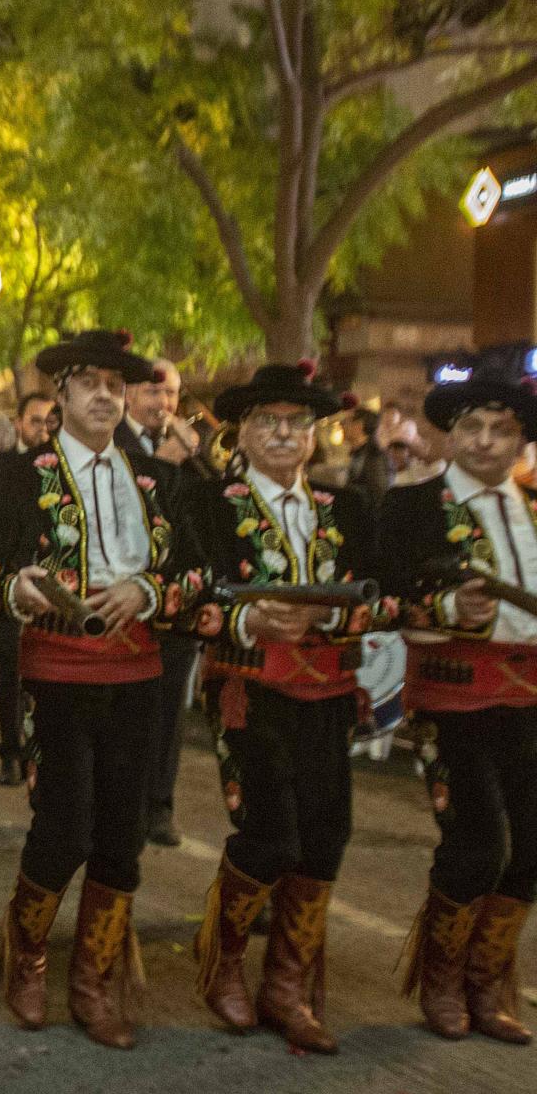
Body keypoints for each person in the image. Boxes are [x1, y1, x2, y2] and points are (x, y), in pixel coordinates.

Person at [0, 330, 205, 1050]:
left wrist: (146, 589)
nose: (106, 396)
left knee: (122, 832)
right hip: (54, 672)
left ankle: (94, 979)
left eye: (118, 385)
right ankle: (27, 959)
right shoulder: (21, 475)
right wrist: (18, 587)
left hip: (139, 672)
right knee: (63, 825)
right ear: (62, 394)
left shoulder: (161, 480)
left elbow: (199, 571)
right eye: (91, 384)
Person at [182, 362, 388, 1053]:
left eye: (296, 422)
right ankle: (225, 966)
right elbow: (190, 596)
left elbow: (382, 597)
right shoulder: (209, 505)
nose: (282, 433)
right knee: (269, 831)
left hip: (329, 690)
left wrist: (331, 621)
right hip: (249, 686)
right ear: (240, 432)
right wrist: (249, 620)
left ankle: (287, 987)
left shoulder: (346, 508)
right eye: (267, 421)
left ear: (313, 436)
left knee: (328, 833)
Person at [379, 356, 537, 1044]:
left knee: (531, 846)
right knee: (477, 842)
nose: (485, 442)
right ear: (448, 434)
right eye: (471, 426)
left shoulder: (533, 507)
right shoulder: (414, 505)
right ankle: (440, 981)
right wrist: (446, 604)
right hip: (453, 692)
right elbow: (383, 594)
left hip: (528, 693)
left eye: (501, 430)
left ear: (519, 441)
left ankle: (487, 978)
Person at [122, 359, 207, 849]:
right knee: (131, 710)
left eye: (171, 394)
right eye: (153, 393)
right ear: (129, 395)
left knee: (170, 708)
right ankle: (128, 805)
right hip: (126, 601)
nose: (163, 404)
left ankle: (160, 803)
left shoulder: (189, 446)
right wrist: (168, 459)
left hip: (178, 601)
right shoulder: (115, 441)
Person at [0, 391, 55, 783]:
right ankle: (10, 749)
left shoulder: (60, 468)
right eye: (35, 420)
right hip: (8, 579)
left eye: (48, 421)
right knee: (10, 671)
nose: (42, 428)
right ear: (19, 423)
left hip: (50, 586)